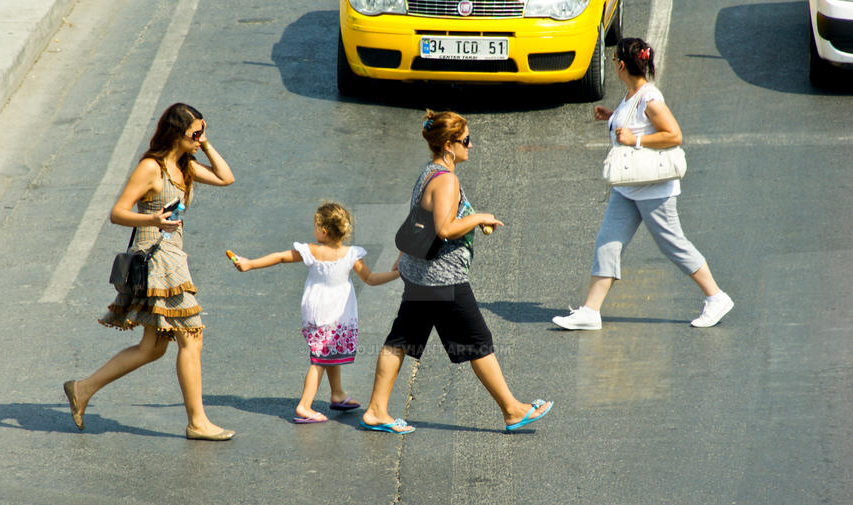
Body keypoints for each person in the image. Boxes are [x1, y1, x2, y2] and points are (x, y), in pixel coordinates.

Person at [360, 110, 553, 434]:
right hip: (441, 278)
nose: (471, 145)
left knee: (402, 339)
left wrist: (405, 253)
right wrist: (480, 218)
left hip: (421, 273)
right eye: (466, 140)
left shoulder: (430, 171)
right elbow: (445, 228)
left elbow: (419, 217)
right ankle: (512, 410)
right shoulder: (446, 179)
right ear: (449, 145)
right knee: (478, 341)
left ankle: (377, 410)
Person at [63, 103, 236, 441]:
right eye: (194, 134)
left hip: (173, 256)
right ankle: (197, 422)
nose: (199, 139)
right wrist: (153, 219)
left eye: (202, 131)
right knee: (192, 337)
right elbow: (117, 213)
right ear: (175, 133)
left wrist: (206, 143)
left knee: (152, 348)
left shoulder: (184, 166)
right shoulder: (151, 168)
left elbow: (226, 178)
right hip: (156, 260)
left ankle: (82, 390)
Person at [552, 38, 734, 331]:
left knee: (672, 244)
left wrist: (634, 140)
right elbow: (635, 123)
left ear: (621, 65)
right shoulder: (631, 95)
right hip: (628, 188)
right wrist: (612, 118)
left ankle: (716, 297)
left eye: (613, 60)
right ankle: (590, 311)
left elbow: (674, 135)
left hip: (653, 190)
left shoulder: (650, 98)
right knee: (607, 243)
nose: (613, 64)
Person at [231, 202, 400, 423]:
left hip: (317, 312)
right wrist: (396, 274)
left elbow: (281, 257)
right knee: (320, 359)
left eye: (316, 225)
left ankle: (337, 393)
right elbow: (371, 279)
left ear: (324, 230)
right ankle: (304, 405)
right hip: (337, 312)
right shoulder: (351, 254)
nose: (314, 229)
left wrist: (250, 263)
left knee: (326, 353)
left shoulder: (312, 250)